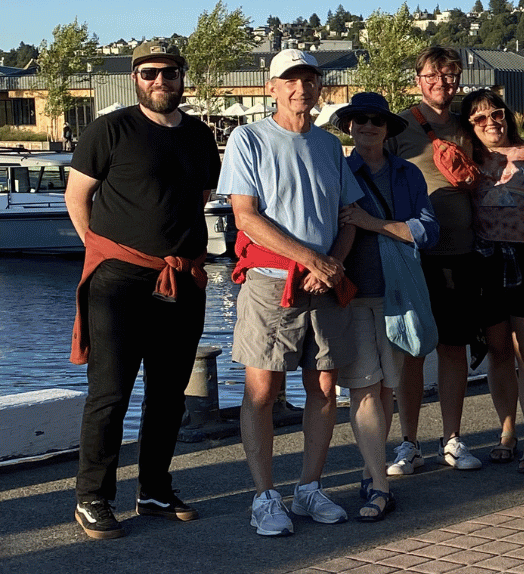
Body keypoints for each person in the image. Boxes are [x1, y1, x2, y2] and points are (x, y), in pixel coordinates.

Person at [65, 40, 222, 539]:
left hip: (182, 280)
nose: (161, 81)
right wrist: (105, 251)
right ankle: (93, 497)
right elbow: (77, 196)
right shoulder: (109, 129)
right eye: (151, 73)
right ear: (136, 78)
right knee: (110, 393)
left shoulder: (199, 135)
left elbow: (201, 198)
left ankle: (153, 489)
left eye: (170, 73)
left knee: (168, 393)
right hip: (119, 281)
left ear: (181, 79)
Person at [219, 49, 365, 536]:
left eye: (309, 79)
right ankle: (264, 496)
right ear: (273, 87)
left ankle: (309, 487)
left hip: (324, 283)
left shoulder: (329, 147)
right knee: (263, 390)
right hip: (270, 284)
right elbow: (245, 216)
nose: (301, 88)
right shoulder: (249, 139)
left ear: (319, 87)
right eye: (290, 80)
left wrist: (332, 265)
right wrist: (310, 259)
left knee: (324, 387)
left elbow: (348, 218)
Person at [387, 46, 494, 474]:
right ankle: (409, 442)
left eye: (450, 77)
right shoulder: (400, 127)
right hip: (415, 252)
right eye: (433, 76)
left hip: (461, 251)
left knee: (454, 347)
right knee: (413, 350)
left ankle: (452, 439)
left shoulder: (467, 126)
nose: (442, 84)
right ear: (418, 79)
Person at [337, 92, 440, 522]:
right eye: (359, 119)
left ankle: (371, 471)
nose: (367, 126)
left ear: (387, 129)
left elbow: (428, 231)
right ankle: (376, 482)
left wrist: (374, 224)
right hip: (354, 292)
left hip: (397, 293)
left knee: (385, 388)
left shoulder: (408, 174)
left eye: (376, 120)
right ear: (349, 126)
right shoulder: (340, 171)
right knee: (364, 387)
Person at [463, 88, 524, 474]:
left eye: (496, 114)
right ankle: (506, 431)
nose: (490, 123)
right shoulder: (467, 161)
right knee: (498, 350)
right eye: (478, 119)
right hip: (484, 260)